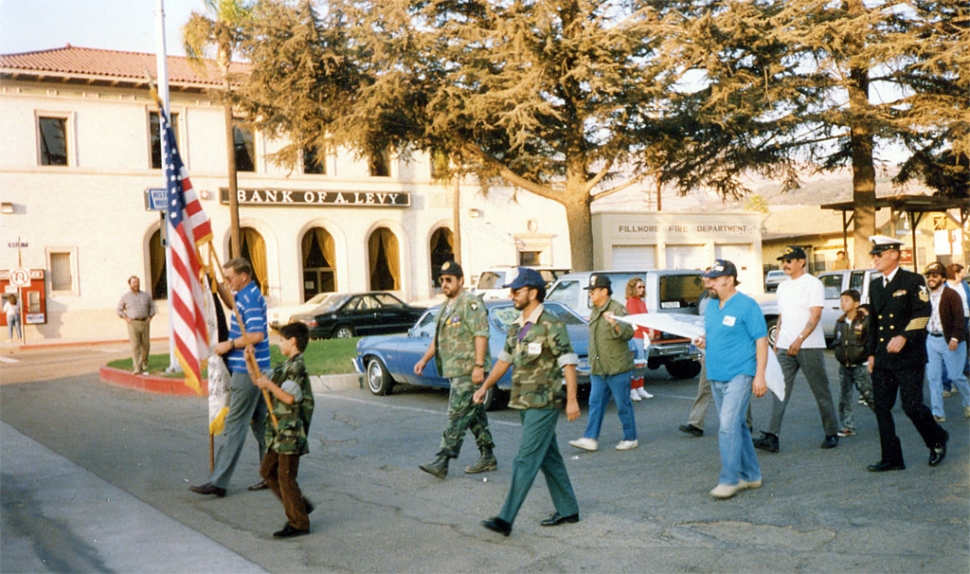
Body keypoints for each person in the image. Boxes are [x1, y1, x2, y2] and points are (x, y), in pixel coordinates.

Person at [474, 268, 581, 537]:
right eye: (511, 291)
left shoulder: (551, 323)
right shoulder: (518, 325)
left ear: (533, 292)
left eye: (516, 291)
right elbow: (503, 361)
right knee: (548, 456)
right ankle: (569, 509)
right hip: (524, 400)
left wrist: (571, 400)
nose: (511, 295)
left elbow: (568, 362)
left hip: (544, 402)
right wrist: (484, 386)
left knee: (525, 459)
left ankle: (505, 519)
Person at [865, 236, 948, 472]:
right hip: (883, 356)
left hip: (908, 356)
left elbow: (923, 312)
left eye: (878, 254)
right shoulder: (874, 284)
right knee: (881, 407)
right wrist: (871, 353)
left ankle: (937, 439)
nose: (874, 259)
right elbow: (874, 321)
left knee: (912, 406)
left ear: (893, 254)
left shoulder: (912, 280)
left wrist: (904, 336)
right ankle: (892, 457)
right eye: (873, 255)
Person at [190, 257, 270, 496]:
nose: (228, 282)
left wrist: (229, 344)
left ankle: (219, 481)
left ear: (243, 276)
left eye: (230, 278)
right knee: (262, 425)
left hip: (248, 369)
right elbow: (231, 304)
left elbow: (256, 334)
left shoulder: (251, 299)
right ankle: (273, 472)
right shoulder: (245, 294)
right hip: (252, 367)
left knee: (235, 424)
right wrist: (215, 282)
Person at [752, 246, 840, 453]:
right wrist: (776, 345)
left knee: (820, 390)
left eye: (790, 260)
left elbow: (815, 316)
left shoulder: (813, 284)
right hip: (785, 346)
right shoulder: (782, 287)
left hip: (808, 346)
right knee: (780, 389)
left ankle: (831, 432)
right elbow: (782, 317)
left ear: (802, 261)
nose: (786, 264)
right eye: (784, 260)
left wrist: (800, 340)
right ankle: (772, 435)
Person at [414, 261, 497, 478]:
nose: (444, 284)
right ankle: (488, 455)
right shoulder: (446, 307)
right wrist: (424, 360)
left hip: (469, 370)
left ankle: (443, 459)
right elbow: (438, 339)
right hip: (456, 370)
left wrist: (479, 366)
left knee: (456, 413)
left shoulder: (470, 304)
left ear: (461, 281)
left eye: (449, 280)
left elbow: (481, 334)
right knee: (474, 413)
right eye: (442, 280)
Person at [693, 260, 767, 500]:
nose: (708, 284)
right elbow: (716, 333)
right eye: (707, 279)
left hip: (741, 373)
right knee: (737, 425)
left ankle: (730, 479)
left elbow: (761, 340)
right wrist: (704, 340)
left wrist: (760, 376)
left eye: (713, 280)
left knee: (726, 426)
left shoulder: (747, 305)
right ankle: (752, 475)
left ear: (729, 279)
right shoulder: (712, 306)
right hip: (716, 374)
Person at [248, 321, 315, 538]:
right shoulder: (286, 366)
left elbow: (288, 398)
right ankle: (299, 505)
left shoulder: (296, 367)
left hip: (290, 432)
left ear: (293, 342)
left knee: (285, 477)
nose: (279, 344)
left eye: (282, 340)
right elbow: (260, 381)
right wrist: (250, 362)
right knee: (267, 471)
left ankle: (299, 522)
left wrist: (269, 386)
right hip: (279, 432)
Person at [569, 274, 638, 452]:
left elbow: (629, 332)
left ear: (604, 291)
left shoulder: (617, 309)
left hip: (617, 367)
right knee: (595, 403)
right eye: (590, 291)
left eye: (593, 291)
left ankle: (630, 438)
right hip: (599, 368)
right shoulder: (595, 310)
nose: (590, 294)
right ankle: (590, 438)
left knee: (623, 405)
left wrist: (615, 323)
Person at [923, 262, 969, 422]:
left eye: (935, 276)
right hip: (931, 340)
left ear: (942, 278)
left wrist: (955, 338)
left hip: (950, 340)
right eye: (928, 276)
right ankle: (938, 412)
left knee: (956, 375)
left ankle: (968, 402)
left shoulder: (951, 295)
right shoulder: (924, 296)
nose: (931, 279)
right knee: (933, 377)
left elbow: (959, 318)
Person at [832, 289, 875, 437]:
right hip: (845, 366)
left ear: (856, 303)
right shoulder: (840, 322)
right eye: (841, 300)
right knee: (844, 397)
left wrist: (870, 357)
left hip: (860, 365)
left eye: (847, 300)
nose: (843, 303)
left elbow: (871, 341)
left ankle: (884, 419)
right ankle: (847, 426)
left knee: (869, 395)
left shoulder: (864, 321)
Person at [116, 276, 155, 374]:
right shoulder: (125, 297)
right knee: (135, 345)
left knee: (146, 345)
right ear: (129, 284)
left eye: (137, 282)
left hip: (145, 322)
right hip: (133, 323)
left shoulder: (146, 296)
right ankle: (137, 367)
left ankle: (144, 362)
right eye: (134, 283)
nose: (136, 284)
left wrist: (150, 318)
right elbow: (119, 309)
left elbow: (152, 307)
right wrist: (126, 318)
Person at [624, 277, 654, 401]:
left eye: (643, 287)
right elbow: (636, 319)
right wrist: (648, 330)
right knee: (638, 363)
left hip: (644, 336)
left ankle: (640, 387)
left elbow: (646, 317)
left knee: (644, 362)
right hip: (637, 336)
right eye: (639, 287)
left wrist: (651, 329)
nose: (642, 289)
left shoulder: (641, 302)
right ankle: (632, 389)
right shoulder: (631, 302)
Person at [943, 263, 970, 392]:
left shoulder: (963, 284)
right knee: (950, 352)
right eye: (961, 274)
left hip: (965, 320)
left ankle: (960, 376)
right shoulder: (945, 288)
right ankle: (947, 384)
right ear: (955, 274)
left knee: (962, 351)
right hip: (951, 323)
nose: (963, 276)